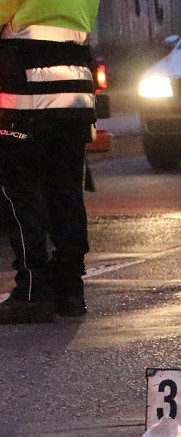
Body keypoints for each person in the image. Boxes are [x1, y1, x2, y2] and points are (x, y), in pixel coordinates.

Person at [0, 0, 100, 323]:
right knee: (66, 190)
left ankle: (33, 291)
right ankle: (70, 290)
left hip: (27, 84)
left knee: (19, 190)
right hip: (75, 86)